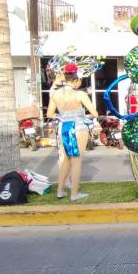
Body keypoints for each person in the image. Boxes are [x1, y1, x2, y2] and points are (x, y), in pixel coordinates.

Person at [46, 63, 98, 201]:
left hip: (64, 127)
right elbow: (94, 113)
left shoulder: (56, 93)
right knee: (76, 161)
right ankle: (74, 194)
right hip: (79, 127)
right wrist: (82, 116)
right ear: (76, 79)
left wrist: (63, 116)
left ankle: (60, 191)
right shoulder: (80, 94)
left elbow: (50, 113)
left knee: (65, 160)